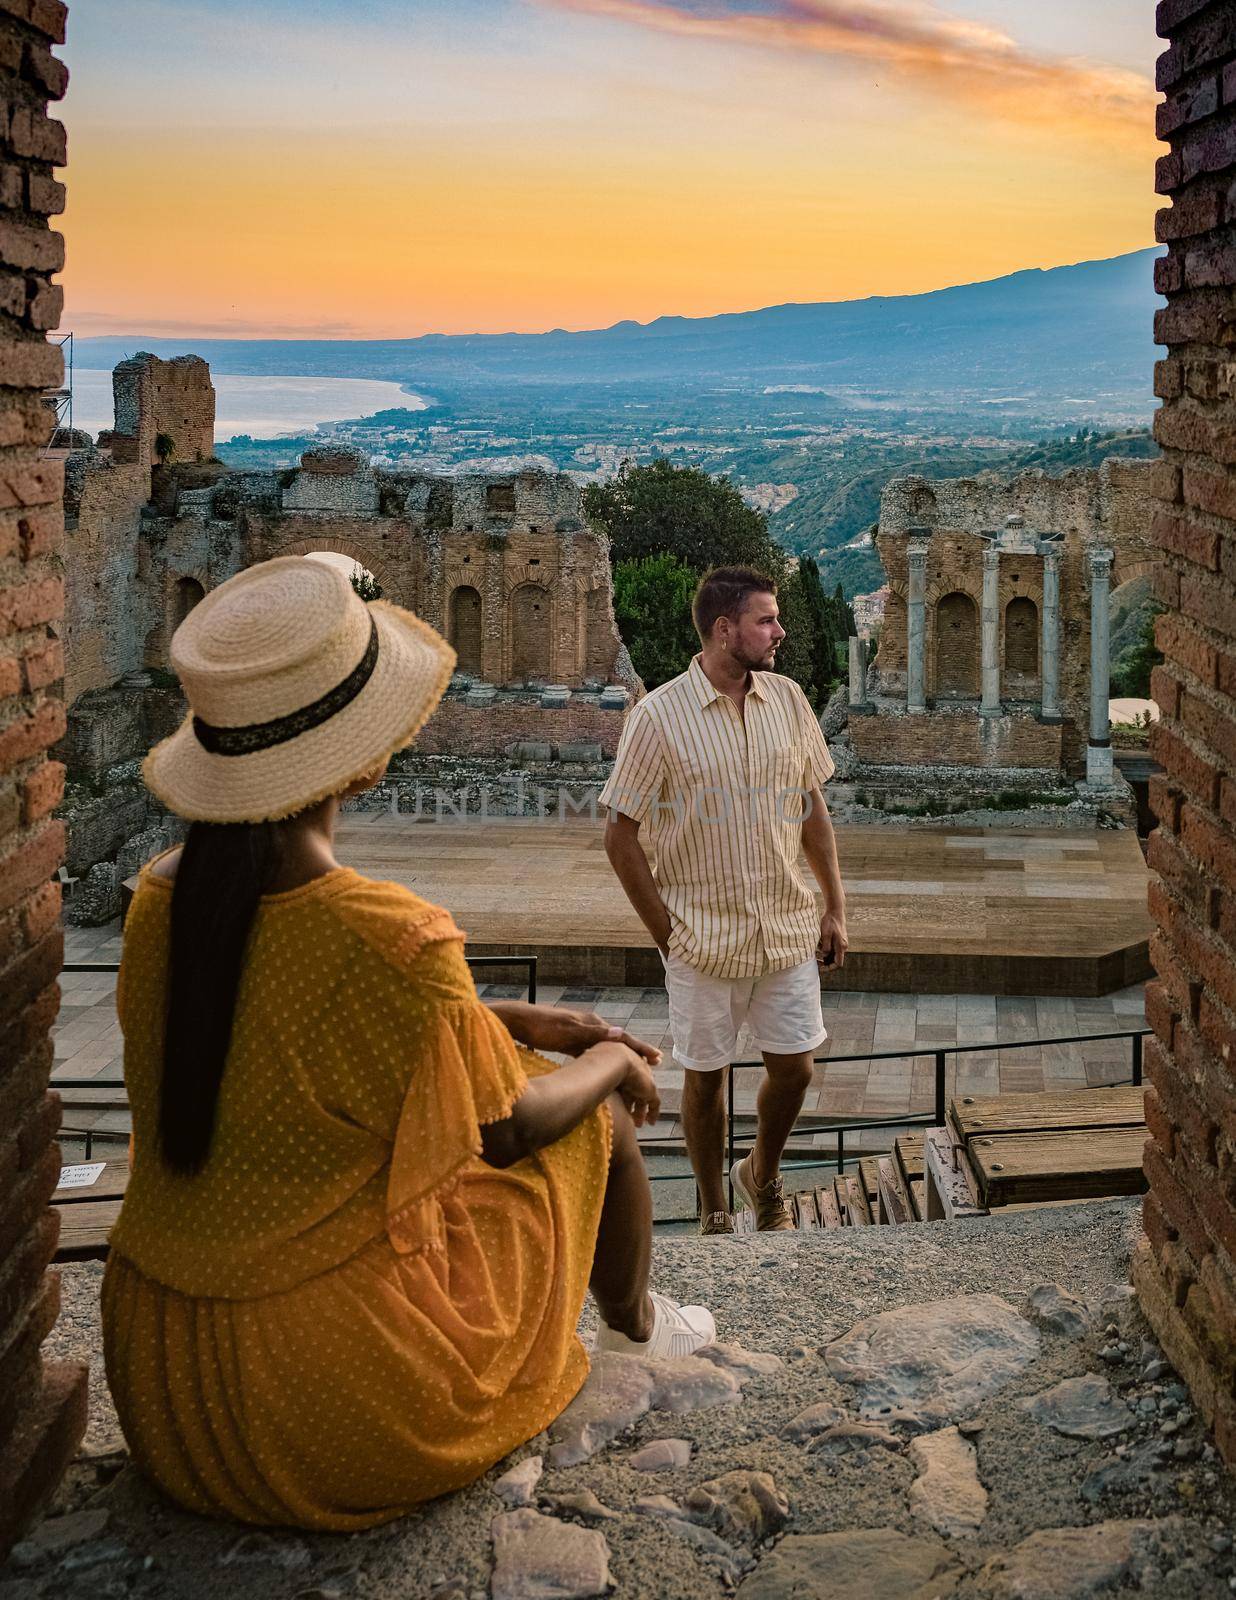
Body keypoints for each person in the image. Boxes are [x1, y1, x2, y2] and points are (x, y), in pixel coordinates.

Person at [101, 556, 714, 1532]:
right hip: (329, 1395)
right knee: (593, 1131)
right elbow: (506, 1128)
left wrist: (512, 1019)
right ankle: (641, 1331)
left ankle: (641, 1324)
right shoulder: (390, 931)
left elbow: (292, 1020)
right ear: (365, 750)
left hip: (166, 1382)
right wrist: (608, 1065)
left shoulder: (159, 900)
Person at [600, 566, 848, 1235]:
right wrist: (666, 935)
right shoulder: (658, 718)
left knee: (795, 1069)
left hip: (784, 925)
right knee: (704, 1085)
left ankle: (759, 1175)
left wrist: (834, 906)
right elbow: (620, 835)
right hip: (701, 938)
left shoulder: (790, 700)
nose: (780, 631)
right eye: (766, 619)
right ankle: (714, 1208)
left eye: (776, 618)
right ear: (723, 629)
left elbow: (811, 806)